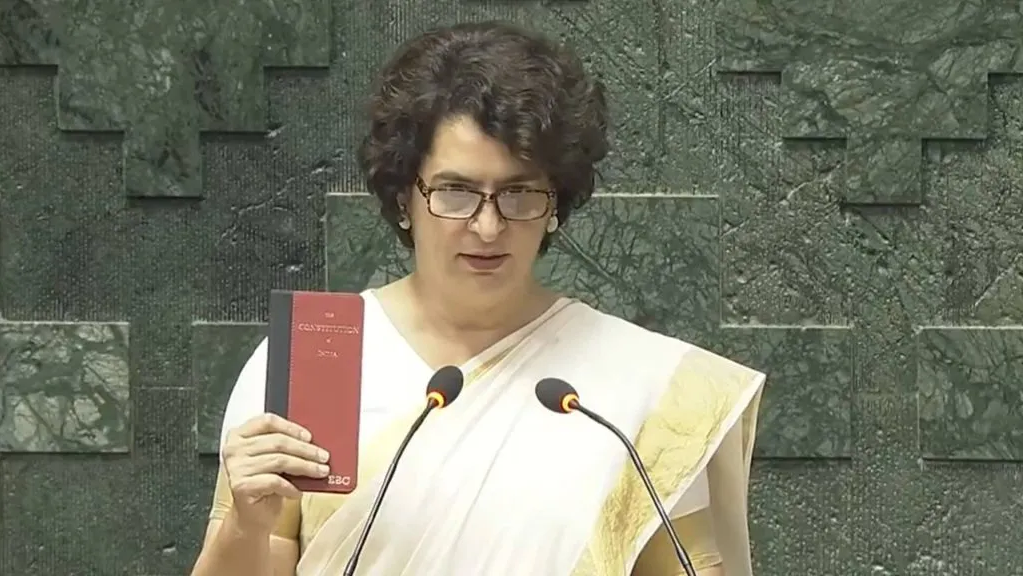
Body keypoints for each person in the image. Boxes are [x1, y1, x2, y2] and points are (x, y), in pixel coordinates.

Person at [190, 20, 764, 576]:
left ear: (556, 204)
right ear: (402, 199)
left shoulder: (645, 389)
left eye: (519, 193)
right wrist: (244, 524)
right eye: (456, 191)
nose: (488, 227)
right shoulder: (316, 359)